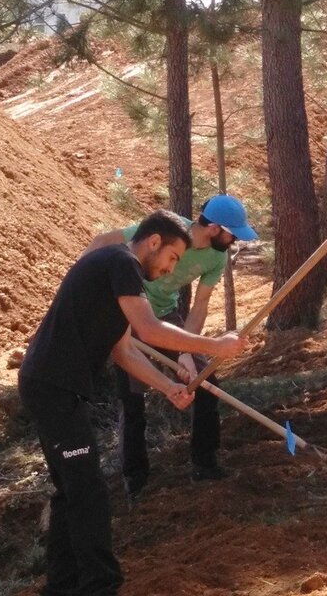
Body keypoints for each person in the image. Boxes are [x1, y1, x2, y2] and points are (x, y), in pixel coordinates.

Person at [18, 210, 247, 596]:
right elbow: (149, 329)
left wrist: (166, 386)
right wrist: (215, 346)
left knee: (71, 489)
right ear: (154, 243)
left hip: (52, 385)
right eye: (173, 258)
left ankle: (61, 586)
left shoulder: (120, 272)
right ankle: (101, 586)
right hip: (53, 386)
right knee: (87, 488)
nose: (172, 269)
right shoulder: (121, 261)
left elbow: (123, 350)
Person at [84, 194, 258, 496]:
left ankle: (204, 465)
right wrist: (81, 280)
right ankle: (135, 482)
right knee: (133, 400)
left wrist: (186, 353)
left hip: (166, 317)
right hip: (129, 317)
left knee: (204, 383)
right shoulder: (169, 232)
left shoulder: (216, 257)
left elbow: (200, 306)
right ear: (215, 228)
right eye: (232, 234)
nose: (234, 241)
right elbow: (103, 240)